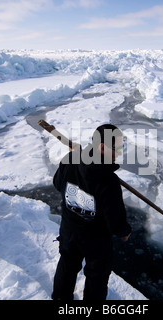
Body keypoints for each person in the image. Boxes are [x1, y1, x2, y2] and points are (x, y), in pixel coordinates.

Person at [51, 124, 131, 300]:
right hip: (95, 239)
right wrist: (123, 232)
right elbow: (114, 218)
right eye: (117, 148)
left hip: (69, 229)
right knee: (97, 275)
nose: (118, 153)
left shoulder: (70, 158)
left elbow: (58, 184)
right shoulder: (109, 181)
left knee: (67, 264)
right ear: (102, 147)